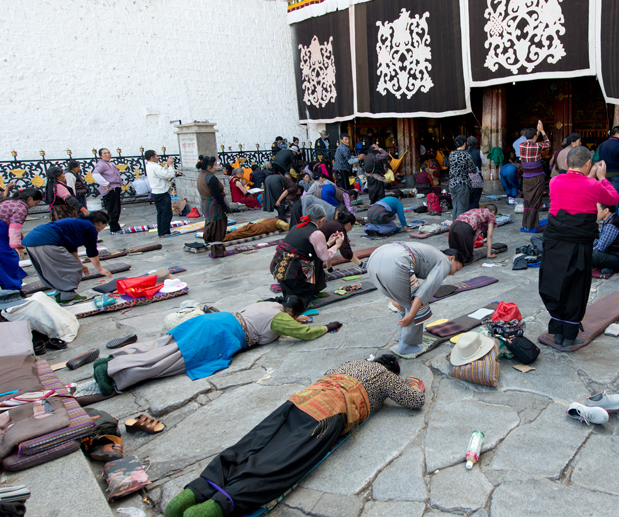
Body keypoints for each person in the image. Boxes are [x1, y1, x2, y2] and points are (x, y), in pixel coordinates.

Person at [164, 354, 424, 517]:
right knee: (283, 461)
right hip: (329, 411)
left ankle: (192, 494)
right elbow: (414, 400)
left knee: (253, 443)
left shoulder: (353, 362)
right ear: (391, 371)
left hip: (302, 400)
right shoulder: (387, 376)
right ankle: (217, 506)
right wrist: (414, 385)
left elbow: (328, 374)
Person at [74, 296, 340, 400]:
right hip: (221, 335)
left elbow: (280, 320)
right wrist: (326, 327)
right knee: (173, 360)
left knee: (164, 345)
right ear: (292, 311)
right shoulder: (282, 318)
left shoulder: (268, 304)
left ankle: (113, 359)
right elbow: (304, 333)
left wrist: (292, 317)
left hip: (214, 320)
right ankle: (113, 376)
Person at [538, 146, 618, 347]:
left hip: (555, 242)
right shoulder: (594, 185)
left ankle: (556, 330)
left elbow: (575, 183)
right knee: (576, 286)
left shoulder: (555, 181)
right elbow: (613, 199)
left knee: (554, 282)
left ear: (566, 164)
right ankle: (569, 334)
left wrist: (590, 176)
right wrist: (601, 177)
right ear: (589, 164)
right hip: (579, 245)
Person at [368, 242, 463, 355]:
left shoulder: (433, 253)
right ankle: (408, 346)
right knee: (416, 306)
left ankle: (402, 337)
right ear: (452, 258)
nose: (452, 274)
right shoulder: (445, 262)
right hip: (397, 261)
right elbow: (425, 291)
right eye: (456, 269)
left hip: (374, 259)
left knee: (405, 303)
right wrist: (412, 314)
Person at [22, 211, 113, 304]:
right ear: (100, 223)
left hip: (32, 241)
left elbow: (71, 249)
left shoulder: (79, 223)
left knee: (56, 269)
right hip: (46, 241)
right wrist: (100, 269)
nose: (102, 229)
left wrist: (81, 264)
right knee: (72, 268)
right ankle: (68, 296)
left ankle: (60, 294)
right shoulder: (90, 227)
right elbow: (91, 250)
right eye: (104, 225)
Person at [270, 204, 344, 307]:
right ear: (322, 219)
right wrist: (338, 245)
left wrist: (329, 243)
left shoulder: (297, 226)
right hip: (294, 275)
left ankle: (315, 290)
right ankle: (308, 292)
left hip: (280, 269)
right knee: (316, 259)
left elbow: (309, 248)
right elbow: (324, 257)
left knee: (315, 257)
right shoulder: (317, 233)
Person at [0, 188, 43, 290]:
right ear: (29, 199)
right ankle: (11, 286)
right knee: (8, 257)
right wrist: (17, 246)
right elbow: (15, 228)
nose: (35, 206)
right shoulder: (21, 207)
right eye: (36, 203)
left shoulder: (11, 201)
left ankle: (11, 283)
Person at [519, 121, 551, 232]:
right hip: (537, 177)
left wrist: (536, 132)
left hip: (526, 177)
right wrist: (542, 131)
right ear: (535, 137)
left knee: (528, 201)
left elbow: (532, 139)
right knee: (535, 201)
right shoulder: (537, 146)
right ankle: (531, 225)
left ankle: (526, 224)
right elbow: (548, 143)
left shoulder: (521, 145)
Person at [196, 156, 229, 258]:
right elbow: (217, 195)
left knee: (212, 226)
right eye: (215, 165)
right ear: (209, 166)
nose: (216, 167)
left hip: (206, 204)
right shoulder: (211, 178)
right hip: (215, 206)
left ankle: (216, 250)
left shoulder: (201, 175)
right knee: (218, 228)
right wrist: (225, 209)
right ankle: (218, 251)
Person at [145, 149, 177, 237]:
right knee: (166, 213)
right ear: (152, 157)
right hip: (161, 192)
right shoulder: (155, 166)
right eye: (156, 156)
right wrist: (170, 165)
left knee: (161, 213)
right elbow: (168, 175)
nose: (157, 157)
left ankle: (161, 231)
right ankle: (165, 232)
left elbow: (162, 172)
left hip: (156, 192)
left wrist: (167, 165)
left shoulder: (150, 165)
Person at [91, 148, 123, 234]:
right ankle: (114, 228)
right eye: (105, 153)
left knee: (116, 209)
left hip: (115, 188)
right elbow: (95, 174)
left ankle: (116, 226)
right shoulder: (101, 164)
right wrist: (105, 183)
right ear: (101, 156)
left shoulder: (109, 163)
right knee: (113, 209)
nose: (108, 154)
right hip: (111, 189)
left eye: (108, 152)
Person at [598, 126, 619, 205]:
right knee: (615, 197)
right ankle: (613, 215)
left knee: (605, 196)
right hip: (617, 174)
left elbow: (601, 159)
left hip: (605, 174)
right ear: (616, 133)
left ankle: (605, 214)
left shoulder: (602, 145)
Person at [448, 135, 476, 220]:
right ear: (464, 143)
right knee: (462, 207)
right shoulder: (466, 155)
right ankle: (460, 227)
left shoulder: (451, 154)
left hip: (452, 184)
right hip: (462, 184)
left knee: (455, 206)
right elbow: (473, 169)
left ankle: (454, 226)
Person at [467, 136, 485, 210]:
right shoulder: (479, 152)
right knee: (475, 200)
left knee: (468, 200)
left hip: (466, 179)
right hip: (477, 179)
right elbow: (484, 163)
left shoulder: (464, 152)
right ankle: (475, 215)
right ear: (476, 144)